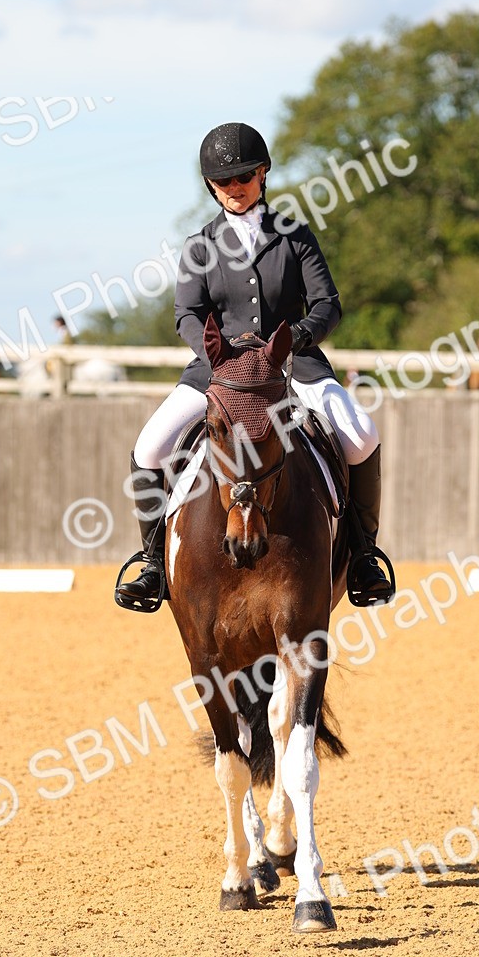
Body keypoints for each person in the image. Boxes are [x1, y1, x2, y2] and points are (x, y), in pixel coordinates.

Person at [114, 121, 395, 611]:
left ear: (263, 174)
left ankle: (364, 556)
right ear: (211, 186)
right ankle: (153, 561)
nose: (235, 188)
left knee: (362, 433)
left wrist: (300, 338)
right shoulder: (200, 246)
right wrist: (217, 359)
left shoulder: (295, 236)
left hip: (294, 365)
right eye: (224, 182)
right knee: (150, 446)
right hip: (217, 372)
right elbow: (186, 315)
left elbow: (327, 303)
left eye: (244, 176)